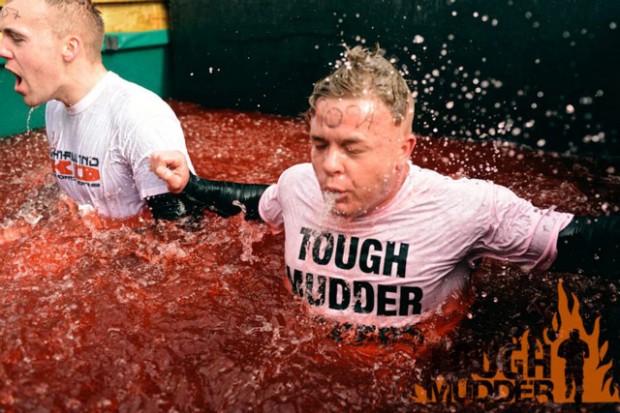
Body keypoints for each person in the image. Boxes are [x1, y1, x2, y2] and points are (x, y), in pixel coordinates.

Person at [150, 46, 619, 344]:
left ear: (403, 149)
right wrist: (191, 186)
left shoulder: (466, 208)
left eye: (352, 148)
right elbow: (256, 203)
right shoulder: (299, 184)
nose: (330, 165)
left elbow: (585, 242)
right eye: (320, 144)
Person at [0, 0, 194, 220]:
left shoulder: (140, 116)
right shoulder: (55, 105)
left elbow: (182, 238)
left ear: (69, 47)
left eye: (16, 38)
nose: (2, 49)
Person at [558, 329, 589, 403]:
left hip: (570, 363)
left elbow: (559, 353)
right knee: (578, 379)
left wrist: (564, 355)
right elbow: (587, 354)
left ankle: (570, 386)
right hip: (578, 364)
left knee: (569, 376)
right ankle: (578, 392)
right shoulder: (582, 342)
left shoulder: (565, 342)